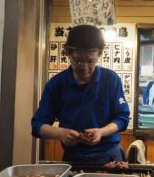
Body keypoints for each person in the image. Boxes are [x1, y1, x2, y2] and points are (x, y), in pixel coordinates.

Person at [31, 25, 130, 164]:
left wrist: (102, 132)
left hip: (110, 157)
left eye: (90, 61)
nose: (84, 66)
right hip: (74, 159)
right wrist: (61, 133)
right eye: (78, 60)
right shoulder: (56, 85)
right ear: (69, 53)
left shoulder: (111, 79)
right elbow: (37, 125)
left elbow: (123, 118)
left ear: (99, 55)